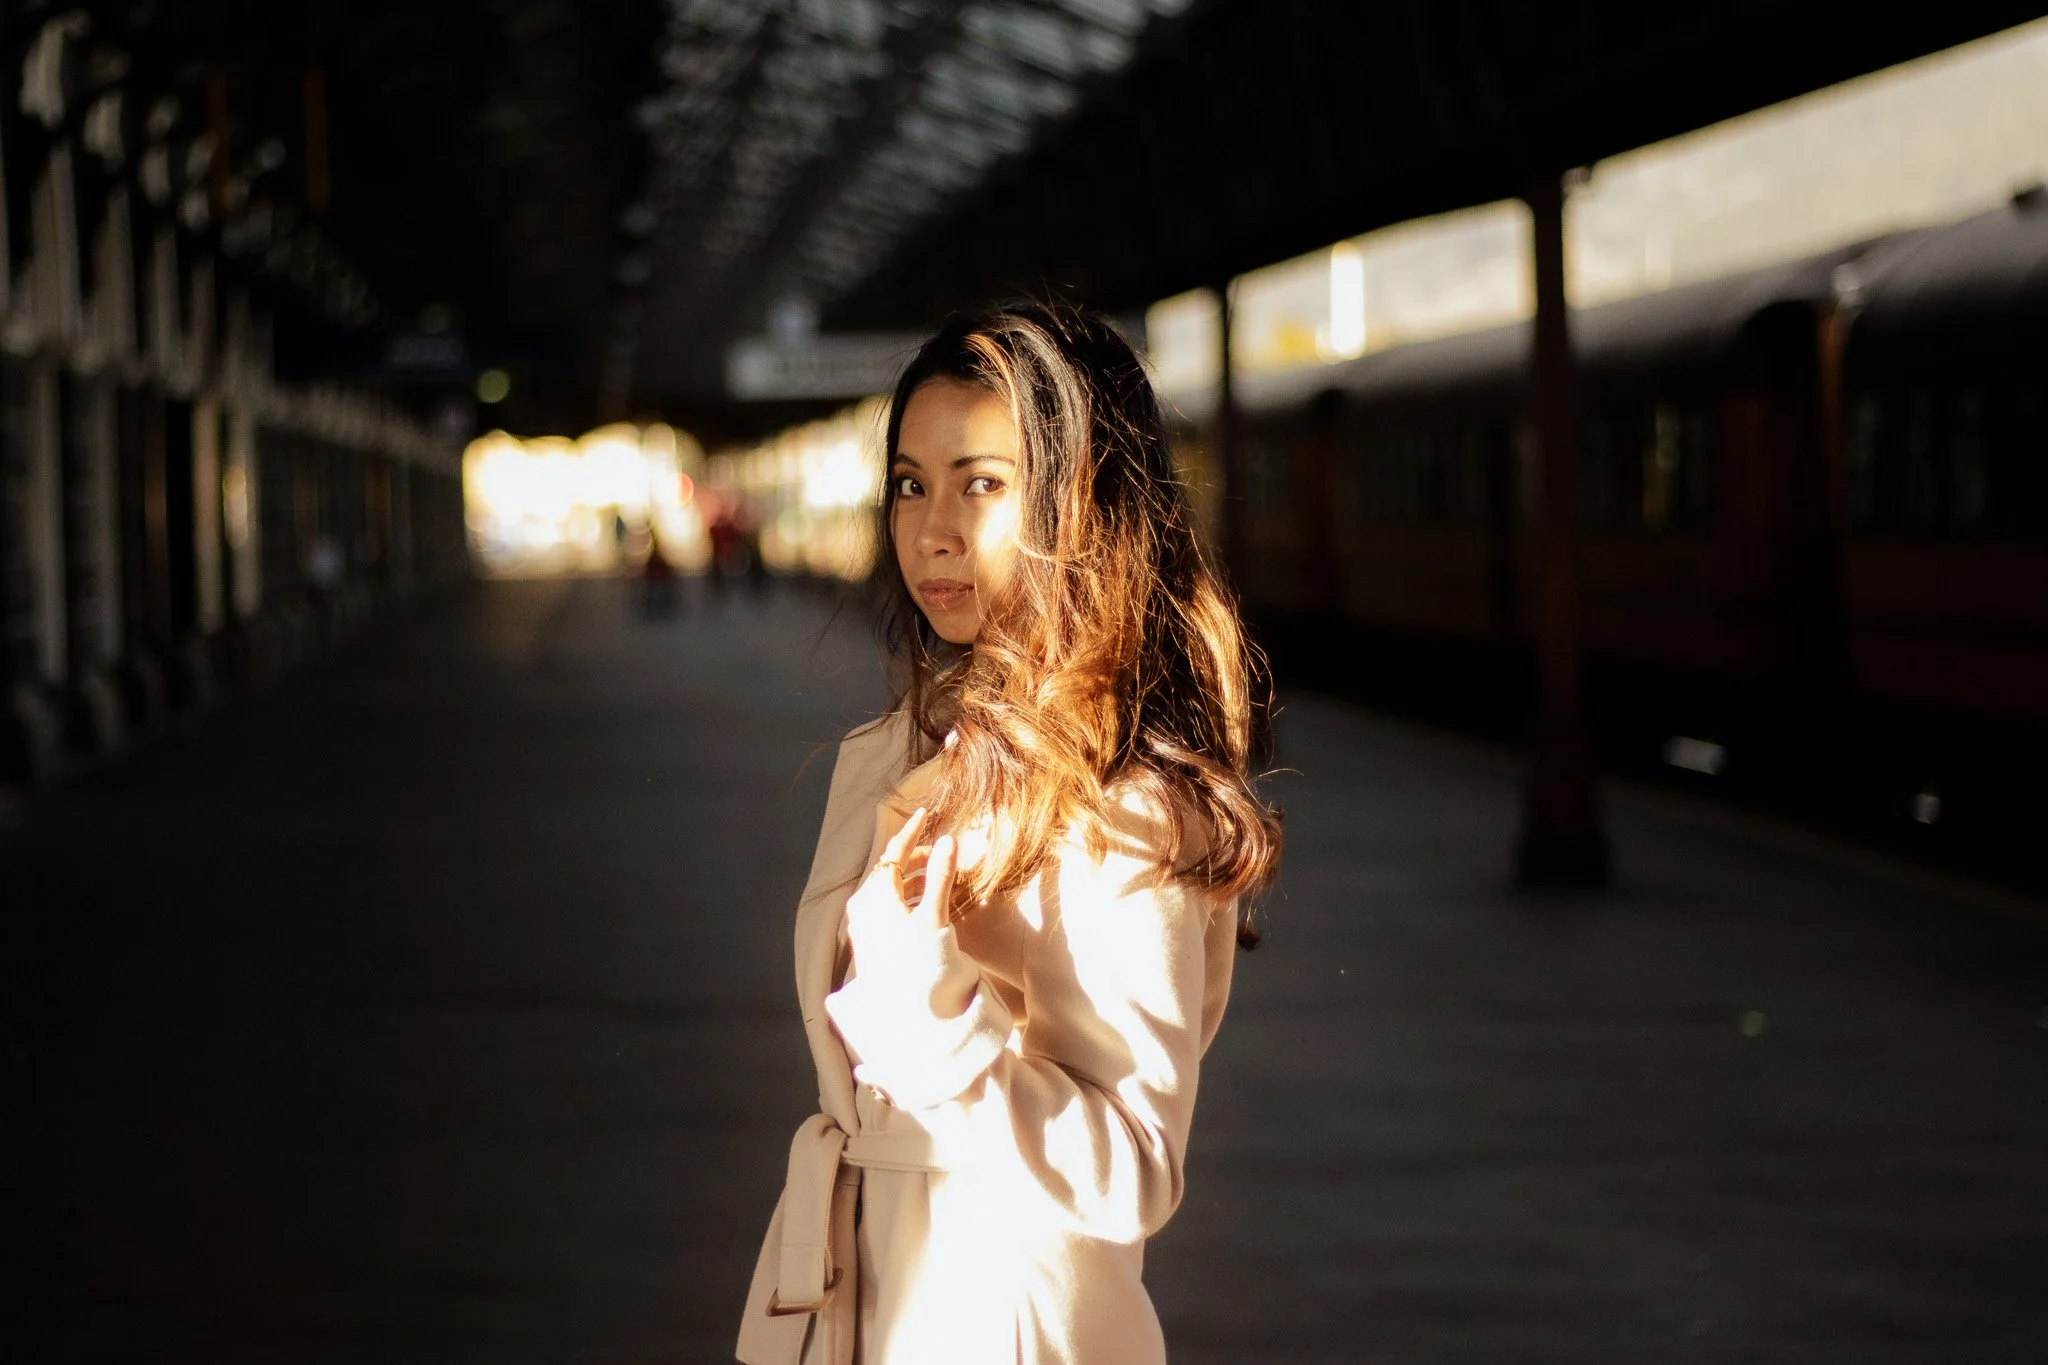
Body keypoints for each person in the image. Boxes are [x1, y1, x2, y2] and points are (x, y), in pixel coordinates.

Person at [735, 302, 1281, 1365]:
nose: (932, 528)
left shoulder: (1121, 799)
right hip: (858, 1288)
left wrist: (929, 1024)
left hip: (998, 1314)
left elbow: (1130, 1171)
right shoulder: (896, 753)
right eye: (910, 482)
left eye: (981, 482)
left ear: (1085, 505)